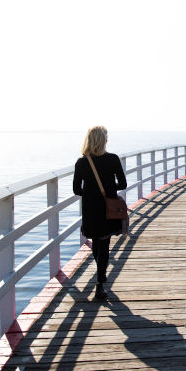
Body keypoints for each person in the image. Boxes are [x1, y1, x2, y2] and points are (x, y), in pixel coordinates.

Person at [73, 126, 127, 300]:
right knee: (104, 243)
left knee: (96, 241)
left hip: (90, 209)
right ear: (103, 140)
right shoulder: (112, 159)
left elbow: (76, 189)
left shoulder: (82, 162)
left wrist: (90, 193)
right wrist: (109, 190)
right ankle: (100, 283)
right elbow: (123, 184)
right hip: (107, 207)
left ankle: (100, 276)